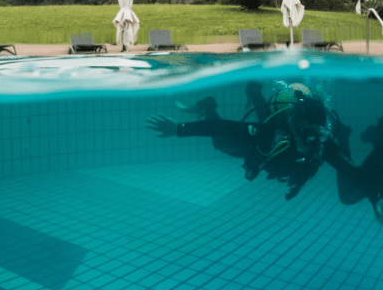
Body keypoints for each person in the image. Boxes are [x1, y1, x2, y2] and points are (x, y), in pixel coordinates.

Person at [148, 82, 357, 201]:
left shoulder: (321, 143)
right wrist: (179, 129)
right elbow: (221, 128)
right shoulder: (268, 134)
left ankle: (253, 91)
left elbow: (352, 173)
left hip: (271, 139)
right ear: (295, 127)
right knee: (220, 142)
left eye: (317, 133)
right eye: (307, 134)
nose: (311, 141)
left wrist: (376, 200)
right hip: (253, 147)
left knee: (265, 120)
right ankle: (208, 106)